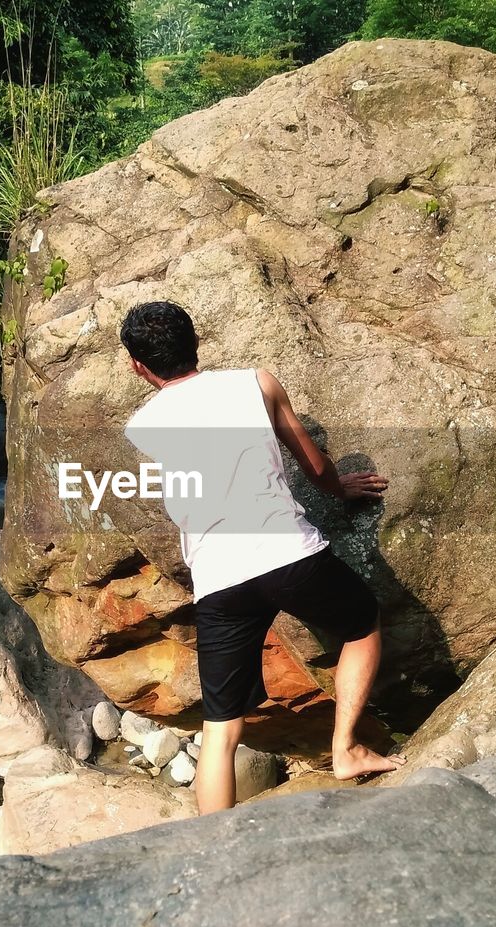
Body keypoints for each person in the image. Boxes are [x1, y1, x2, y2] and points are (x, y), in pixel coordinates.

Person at [120, 300, 405, 814]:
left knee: (221, 730)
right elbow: (314, 465)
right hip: (287, 554)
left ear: (137, 366)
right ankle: (346, 750)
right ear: (196, 341)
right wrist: (341, 490)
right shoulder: (258, 383)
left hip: (218, 579)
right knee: (362, 625)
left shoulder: (142, 427)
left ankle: (215, 848)